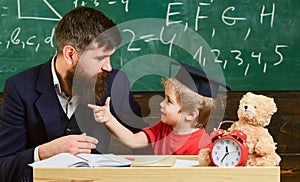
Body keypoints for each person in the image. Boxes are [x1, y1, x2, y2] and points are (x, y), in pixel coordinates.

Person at [0, 6, 147, 182]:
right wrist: (45, 152)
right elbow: (4, 167)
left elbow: (147, 146)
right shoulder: (20, 89)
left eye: (110, 57)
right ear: (71, 55)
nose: (108, 67)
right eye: (100, 58)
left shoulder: (114, 82)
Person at [89, 62, 230, 155]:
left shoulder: (202, 147)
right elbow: (133, 139)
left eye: (169, 101)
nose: (161, 104)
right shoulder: (163, 128)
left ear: (191, 114)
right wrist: (108, 119)